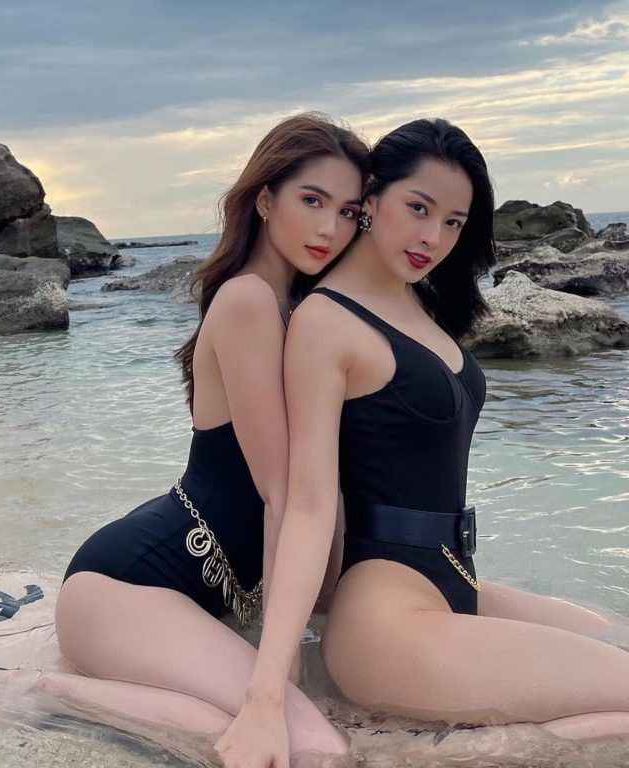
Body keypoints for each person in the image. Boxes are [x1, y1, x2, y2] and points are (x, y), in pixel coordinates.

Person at [216, 118, 629, 768]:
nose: (433, 237)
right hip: (383, 621)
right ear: (371, 199)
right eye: (418, 208)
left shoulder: (423, 305)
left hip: (453, 578)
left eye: (453, 222)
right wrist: (267, 692)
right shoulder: (325, 322)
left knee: (619, 637)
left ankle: (476, 749)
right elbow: (308, 505)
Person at [54, 113, 367, 756]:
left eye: (348, 213)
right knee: (315, 746)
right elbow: (285, 495)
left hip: (206, 593)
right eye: (312, 201)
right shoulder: (248, 300)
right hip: (125, 588)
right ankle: (44, 695)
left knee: (312, 730)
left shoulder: (304, 312)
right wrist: (281, 674)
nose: (329, 229)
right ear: (265, 199)